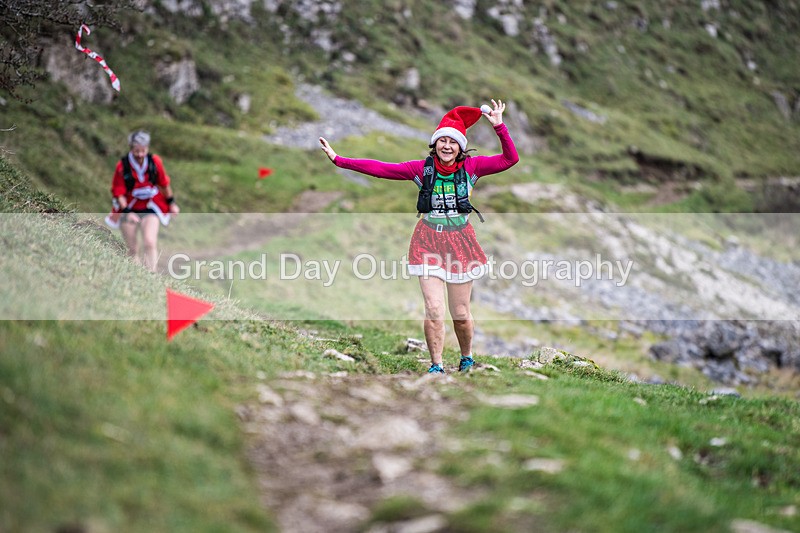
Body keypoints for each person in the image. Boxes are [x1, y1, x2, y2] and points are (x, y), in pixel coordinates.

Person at [319, 99, 519, 374]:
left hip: (461, 241)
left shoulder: (473, 168)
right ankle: (436, 365)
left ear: (461, 146)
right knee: (434, 309)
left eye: (453, 142)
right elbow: (381, 168)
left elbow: (510, 159)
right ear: (435, 144)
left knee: (460, 315)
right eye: (442, 141)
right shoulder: (420, 170)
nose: (447, 146)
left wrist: (499, 127)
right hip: (428, 241)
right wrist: (339, 160)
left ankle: (466, 357)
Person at [106, 130, 179, 272]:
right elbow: (118, 192)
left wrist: (171, 203)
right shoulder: (122, 166)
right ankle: (137, 275)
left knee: (150, 242)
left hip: (150, 207)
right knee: (132, 248)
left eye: (143, 151)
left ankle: (152, 275)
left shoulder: (155, 162)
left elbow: (164, 183)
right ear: (131, 148)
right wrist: (127, 212)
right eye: (136, 151)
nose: (140, 154)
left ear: (147, 148)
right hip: (128, 207)